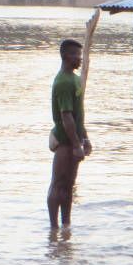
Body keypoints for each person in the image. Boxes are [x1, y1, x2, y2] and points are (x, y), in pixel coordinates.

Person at [48, 38, 92, 229]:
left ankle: (66, 226)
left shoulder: (75, 80)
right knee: (58, 184)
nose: (79, 59)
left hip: (75, 139)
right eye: (76, 55)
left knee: (69, 185)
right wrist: (75, 145)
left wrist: (86, 139)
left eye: (80, 55)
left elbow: (78, 113)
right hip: (65, 142)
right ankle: (53, 228)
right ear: (66, 56)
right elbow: (66, 118)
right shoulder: (64, 82)